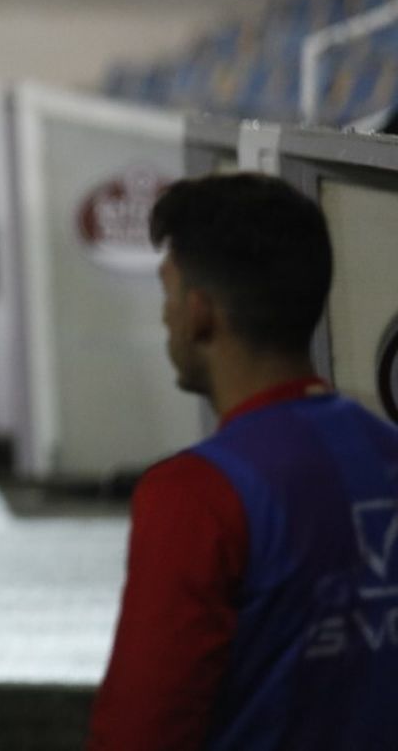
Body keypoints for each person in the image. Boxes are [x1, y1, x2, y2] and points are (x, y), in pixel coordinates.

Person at [88, 173, 398, 750]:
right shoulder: (387, 451)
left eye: (169, 292)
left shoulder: (195, 496)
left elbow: (141, 731)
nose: (165, 318)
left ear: (200, 314)